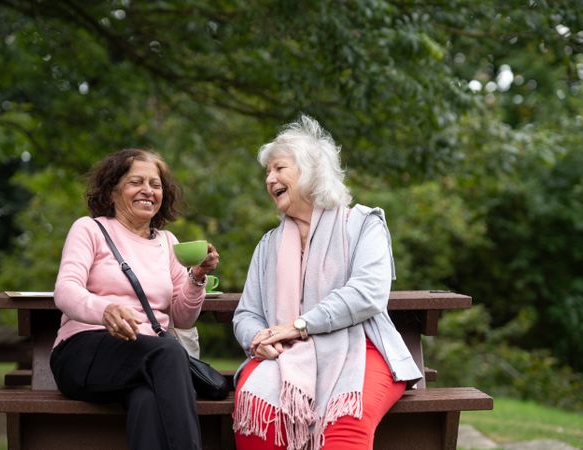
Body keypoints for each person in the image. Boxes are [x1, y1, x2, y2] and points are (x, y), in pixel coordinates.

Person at [232, 116, 422, 450]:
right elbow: (246, 313)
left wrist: (300, 325)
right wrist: (257, 339)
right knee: (259, 416)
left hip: (362, 349)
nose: (269, 178)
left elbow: (368, 294)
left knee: (343, 425)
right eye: (267, 172)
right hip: (286, 357)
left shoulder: (363, 224)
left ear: (310, 171)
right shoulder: (268, 245)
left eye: (279, 168)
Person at [50, 148, 219, 450]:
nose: (148, 191)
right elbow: (65, 291)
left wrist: (196, 278)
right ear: (112, 190)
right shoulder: (90, 229)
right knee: (168, 351)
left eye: (155, 185)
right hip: (84, 352)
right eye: (135, 182)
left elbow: (182, 317)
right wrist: (105, 310)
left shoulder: (168, 243)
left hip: (146, 362)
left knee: (148, 400)